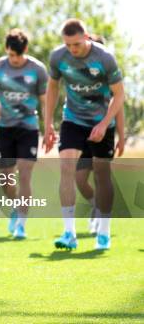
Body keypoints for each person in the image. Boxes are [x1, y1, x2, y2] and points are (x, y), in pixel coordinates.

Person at [43, 19, 124, 251]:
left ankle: (104, 231)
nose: (72, 49)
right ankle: (69, 232)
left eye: (76, 44)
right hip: (73, 119)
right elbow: (52, 88)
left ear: (86, 37)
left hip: (101, 121)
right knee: (66, 167)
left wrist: (105, 124)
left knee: (102, 174)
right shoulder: (58, 57)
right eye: (68, 45)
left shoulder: (105, 58)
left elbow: (119, 95)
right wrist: (48, 125)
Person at [0, 29, 48, 239]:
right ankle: (16, 206)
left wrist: (49, 127)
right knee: (5, 179)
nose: (15, 60)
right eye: (12, 55)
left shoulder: (37, 69)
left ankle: (21, 223)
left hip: (28, 128)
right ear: (6, 50)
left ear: (26, 51)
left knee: (24, 174)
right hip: (4, 128)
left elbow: (45, 100)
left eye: (19, 55)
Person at [74, 34, 126, 234]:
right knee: (80, 179)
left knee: (100, 178)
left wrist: (121, 137)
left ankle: (102, 217)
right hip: (85, 134)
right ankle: (97, 205)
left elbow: (119, 108)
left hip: (105, 133)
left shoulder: (111, 77)